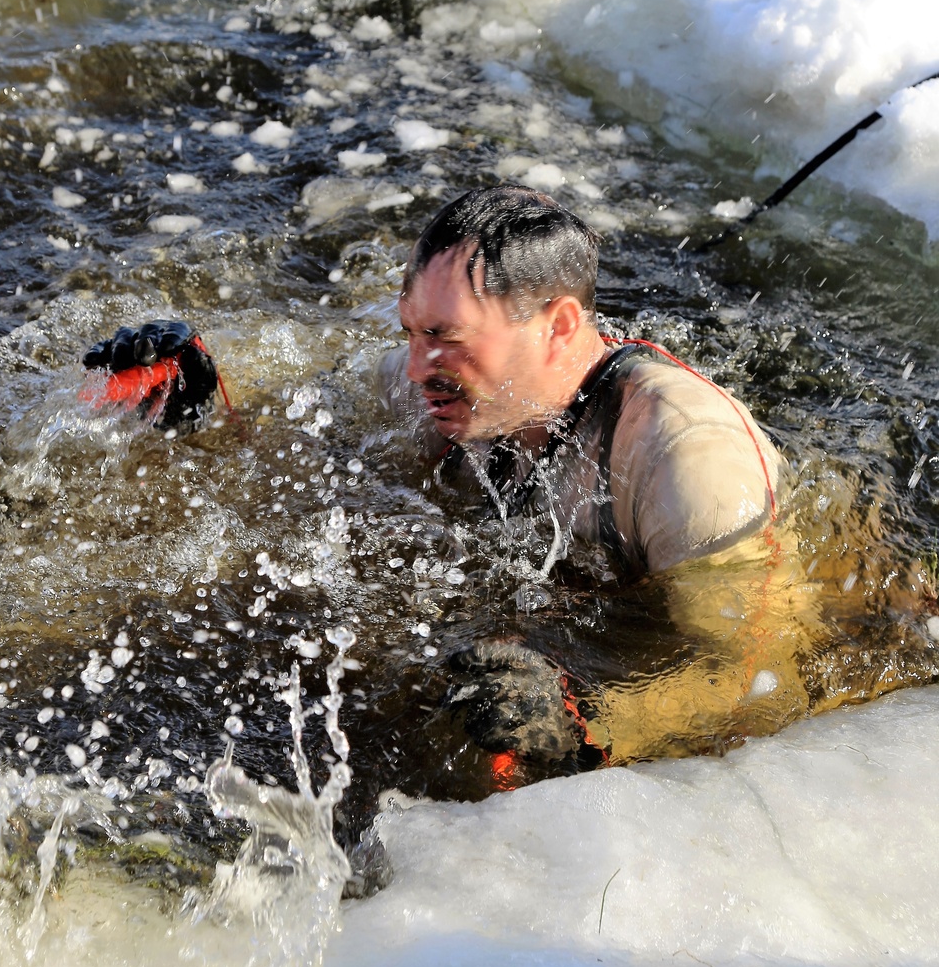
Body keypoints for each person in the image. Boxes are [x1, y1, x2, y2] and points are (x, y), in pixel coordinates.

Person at [83, 184, 817, 768]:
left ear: (559, 325)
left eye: (442, 337)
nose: (414, 368)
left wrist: (587, 718)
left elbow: (760, 678)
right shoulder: (446, 388)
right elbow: (286, 444)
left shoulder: (687, 457)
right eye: (409, 330)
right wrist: (199, 396)